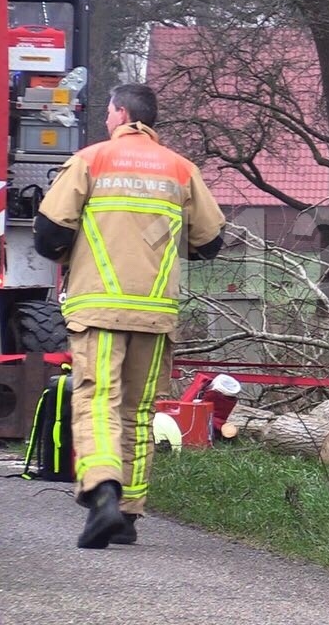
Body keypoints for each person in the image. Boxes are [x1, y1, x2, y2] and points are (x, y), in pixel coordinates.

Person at [34, 83, 226, 548]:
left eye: (107, 111)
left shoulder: (91, 160)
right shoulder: (181, 170)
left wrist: (72, 252)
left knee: (98, 400)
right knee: (137, 412)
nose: (105, 120)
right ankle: (127, 515)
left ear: (121, 114)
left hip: (98, 308)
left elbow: (48, 232)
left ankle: (102, 493)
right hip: (155, 314)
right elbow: (210, 243)